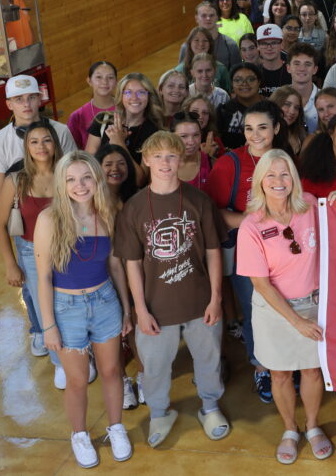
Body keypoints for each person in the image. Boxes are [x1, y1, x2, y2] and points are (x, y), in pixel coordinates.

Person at [114, 132, 230, 449]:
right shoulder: (134, 208)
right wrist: (140, 308)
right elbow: (132, 263)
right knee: (154, 366)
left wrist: (216, 298)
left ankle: (209, 406)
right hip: (155, 307)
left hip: (199, 302)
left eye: (172, 156)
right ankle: (160, 412)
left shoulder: (198, 201)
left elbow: (213, 252)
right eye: (159, 156)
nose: (166, 163)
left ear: (182, 160)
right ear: (147, 160)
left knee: (208, 358)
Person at [34, 151, 133, 467]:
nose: (80, 185)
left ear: (97, 179)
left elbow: (116, 266)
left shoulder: (107, 212)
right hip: (67, 306)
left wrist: (127, 309)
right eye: (71, 179)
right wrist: (48, 325)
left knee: (112, 370)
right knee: (76, 380)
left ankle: (116, 426)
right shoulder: (49, 220)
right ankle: (79, 434)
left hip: (105, 301)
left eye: (86, 177)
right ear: (62, 184)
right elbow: (44, 277)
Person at [237, 150, 334, 463]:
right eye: (271, 175)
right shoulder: (251, 226)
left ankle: (313, 424)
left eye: (285, 174)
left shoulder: (310, 206)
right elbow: (261, 284)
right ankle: (291, 428)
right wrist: (296, 321)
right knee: (279, 374)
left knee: (311, 370)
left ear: (293, 177)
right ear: (260, 182)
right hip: (274, 311)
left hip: (313, 304)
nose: (279, 182)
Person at [208, 101, 289, 405]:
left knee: (286, 305)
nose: (255, 135)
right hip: (250, 252)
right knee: (256, 310)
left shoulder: (284, 161)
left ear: (276, 129)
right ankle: (262, 367)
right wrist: (251, 224)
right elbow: (212, 210)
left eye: (263, 127)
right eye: (249, 128)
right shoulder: (231, 163)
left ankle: (286, 363)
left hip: (285, 252)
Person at [0, 121, 65, 374]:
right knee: (44, 304)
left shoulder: (66, 171)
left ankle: (80, 351)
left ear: (55, 143)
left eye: (46, 140)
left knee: (70, 301)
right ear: (26, 146)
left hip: (67, 248)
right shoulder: (17, 180)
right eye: (33, 141)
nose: (41, 146)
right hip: (30, 251)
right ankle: (59, 362)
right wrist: (11, 264)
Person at [0, 75, 77, 198]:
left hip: (59, 199)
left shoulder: (61, 131)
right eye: (19, 99)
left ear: (40, 100)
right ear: (9, 104)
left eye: (31, 97)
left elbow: (74, 173)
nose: (26, 104)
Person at [85, 73, 163, 172]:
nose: (134, 98)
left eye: (141, 93)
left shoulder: (155, 133)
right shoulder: (102, 120)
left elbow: (140, 181)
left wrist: (120, 143)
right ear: (121, 96)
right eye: (128, 93)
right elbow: (88, 165)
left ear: (149, 96)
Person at [66, 61, 117, 149]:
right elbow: (73, 150)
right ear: (89, 81)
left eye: (110, 77)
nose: (104, 81)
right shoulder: (77, 116)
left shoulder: (126, 109)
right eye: (99, 77)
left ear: (116, 81)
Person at [178, 2, 242, 71]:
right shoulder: (186, 47)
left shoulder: (231, 45)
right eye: (203, 16)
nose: (208, 18)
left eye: (211, 15)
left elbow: (237, 73)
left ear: (217, 17)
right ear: (196, 18)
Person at [171, 112, 213, 192]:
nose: (191, 142)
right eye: (184, 136)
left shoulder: (212, 164)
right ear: (172, 137)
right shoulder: (162, 163)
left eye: (196, 135)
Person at [270, 86, 308, 156]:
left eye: (296, 108)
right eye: (287, 104)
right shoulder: (264, 135)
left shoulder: (301, 134)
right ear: (275, 104)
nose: (292, 112)